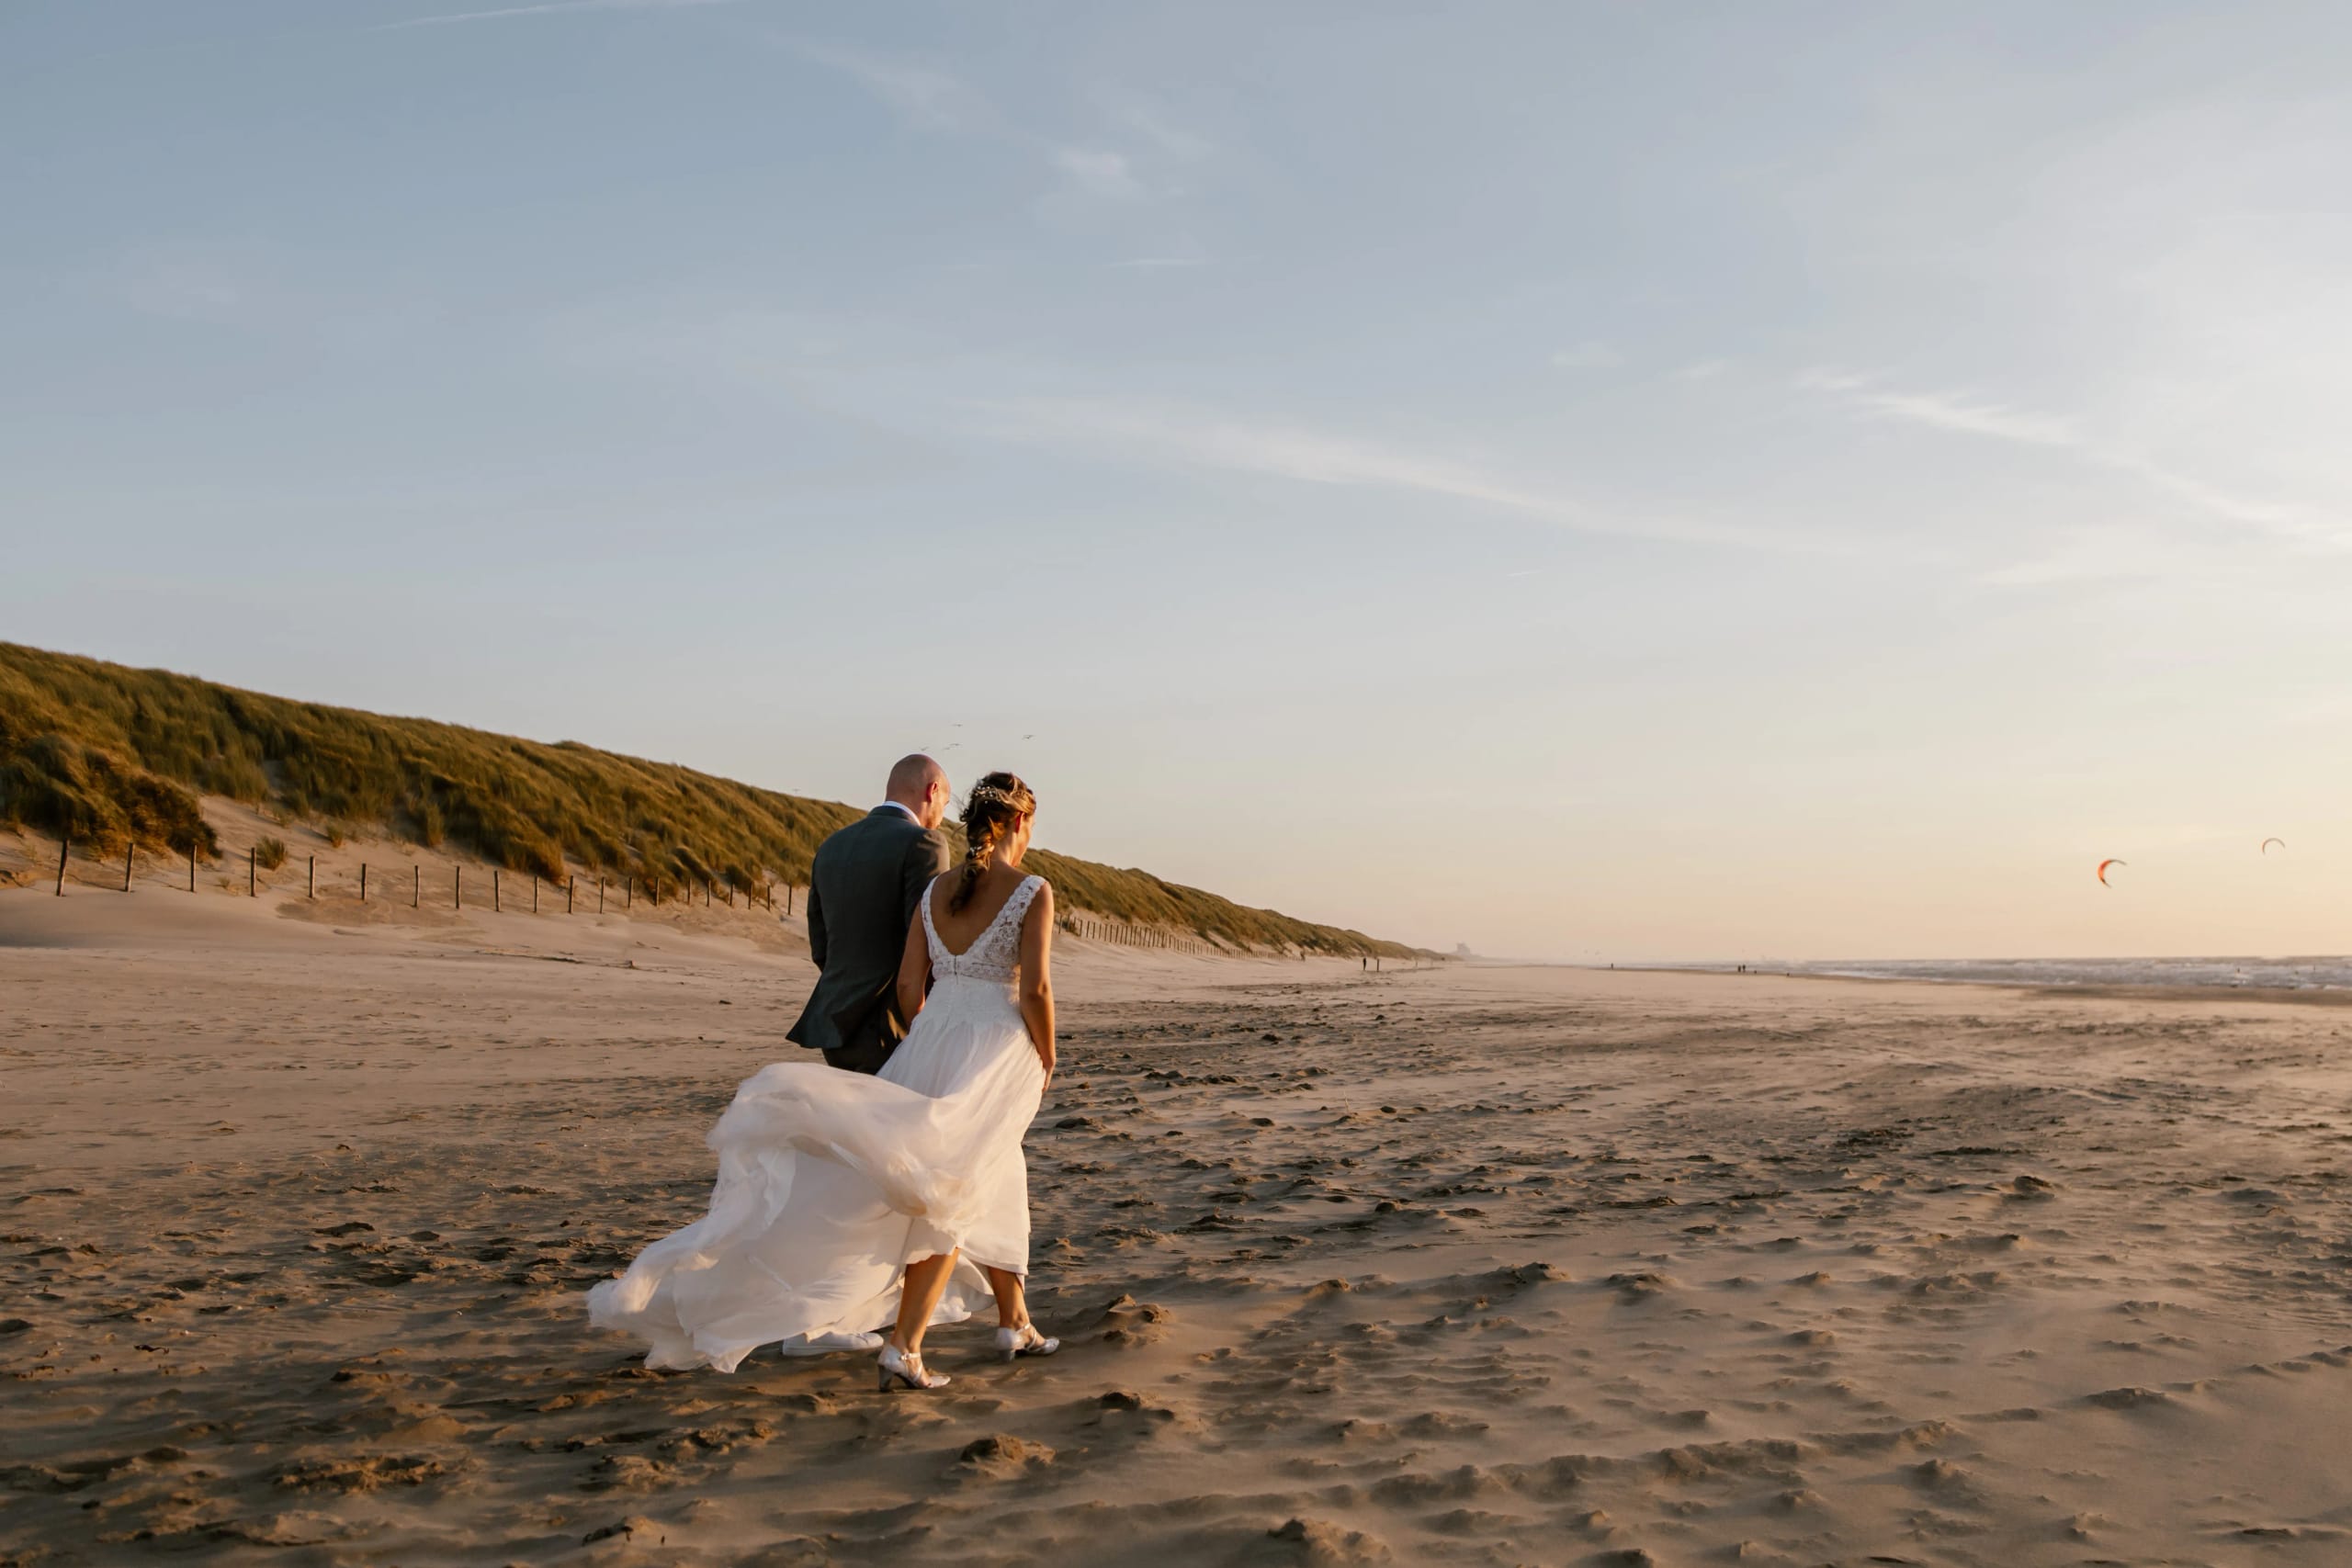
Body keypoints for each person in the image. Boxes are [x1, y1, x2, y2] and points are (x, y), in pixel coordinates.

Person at [586, 771, 1061, 1390]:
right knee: (950, 1189)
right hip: (994, 1048)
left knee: (991, 1168)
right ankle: (904, 1347)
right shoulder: (1032, 890)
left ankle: (1014, 1321)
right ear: (1020, 822)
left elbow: (909, 985)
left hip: (932, 1038)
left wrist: (929, 1032)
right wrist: (1047, 1053)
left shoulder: (936, 891)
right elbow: (1036, 988)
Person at [790, 755, 953, 1074]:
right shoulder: (925, 843)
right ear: (932, 791)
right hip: (890, 1025)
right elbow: (927, 939)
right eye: (944, 805)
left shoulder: (833, 845)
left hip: (833, 1025)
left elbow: (820, 945)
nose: (941, 818)